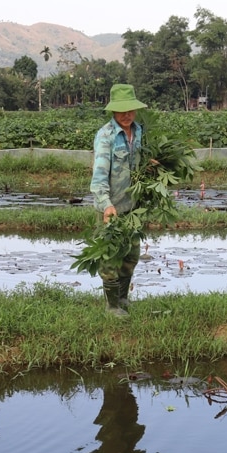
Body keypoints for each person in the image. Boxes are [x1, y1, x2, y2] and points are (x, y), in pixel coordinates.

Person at [90, 83, 147, 316]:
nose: (126, 115)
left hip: (132, 208)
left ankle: (123, 299)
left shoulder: (140, 130)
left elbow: (140, 162)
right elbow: (99, 177)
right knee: (110, 259)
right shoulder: (106, 137)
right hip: (110, 209)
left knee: (131, 256)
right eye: (121, 111)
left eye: (130, 110)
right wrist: (107, 205)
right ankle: (111, 306)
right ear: (113, 111)